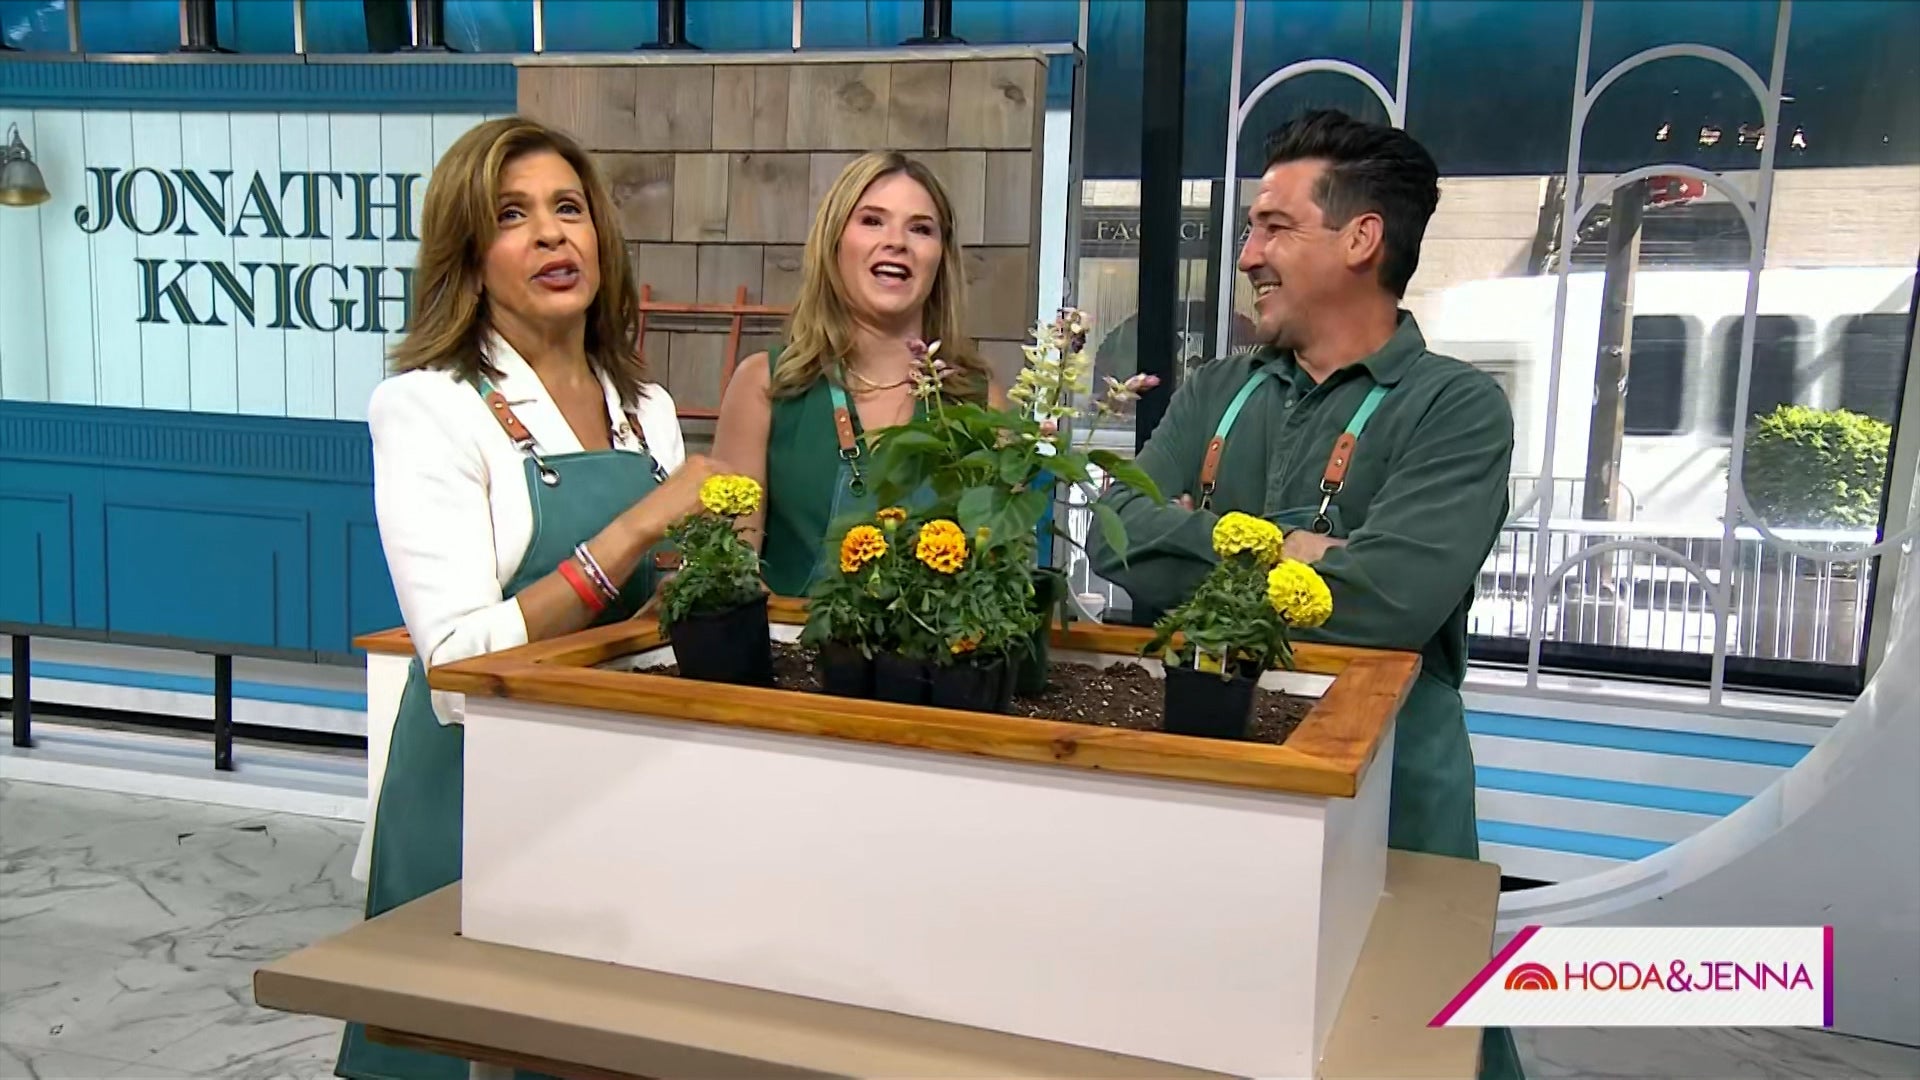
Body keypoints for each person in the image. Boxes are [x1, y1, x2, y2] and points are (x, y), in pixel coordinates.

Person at [1089, 109, 1525, 1080]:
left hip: (1391, 791)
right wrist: (1298, 549)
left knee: (1409, 1040)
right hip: (1213, 770)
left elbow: (1390, 601)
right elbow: (1116, 533)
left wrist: (1198, 536)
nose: (1248, 254)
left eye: (1274, 227)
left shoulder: (1454, 408)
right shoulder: (1217, 390)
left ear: (1362, 238)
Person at [336, 116, 718, 1080]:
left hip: (612, 786)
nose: (551, 233)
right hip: (477, 796)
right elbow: (458, 661)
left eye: (568, 209)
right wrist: (634, 530)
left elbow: (652, 618)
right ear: (469, 260)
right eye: (512, 216)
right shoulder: (428, 407)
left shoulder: (643, 408)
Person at [713, 151, 1001, 597]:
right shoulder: (766, 385)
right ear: (834, 243)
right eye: (872, 221)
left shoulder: (980, 401)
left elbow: (1000, 580)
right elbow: (727, 576)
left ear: (941, 257)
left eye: (920, 229)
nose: (897, 242)